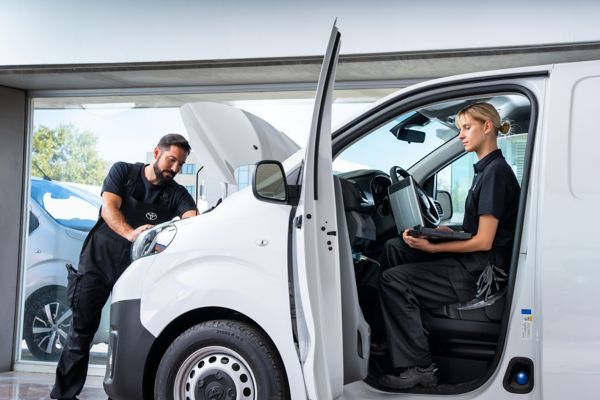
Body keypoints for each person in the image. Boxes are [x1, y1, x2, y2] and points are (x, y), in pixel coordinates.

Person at [377, 103, 520, 390]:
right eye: (460, 130)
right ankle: (404, 335)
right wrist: (445, 231)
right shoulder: (487, 169)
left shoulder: (496, 174)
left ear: (487, 127)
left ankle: (420, 368)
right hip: (477, 262)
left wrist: (434, 248)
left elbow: (484, 241)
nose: (461, 136)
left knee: (392, 281)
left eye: (467, 128)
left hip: (480, 273)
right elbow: (475, 230)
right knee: (395, 247)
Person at [51, 133, 198, 400]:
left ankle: (119, 396)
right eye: (171, 160)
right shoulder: (123, 172)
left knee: (130, 338)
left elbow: (192, 220)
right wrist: (133, 234)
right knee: (80, 333)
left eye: (181, 164)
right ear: (156, 153)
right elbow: (109, 208)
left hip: (135, 272)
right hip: (98, 261)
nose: (174, 169)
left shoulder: (176, 193)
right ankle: (63, 396)